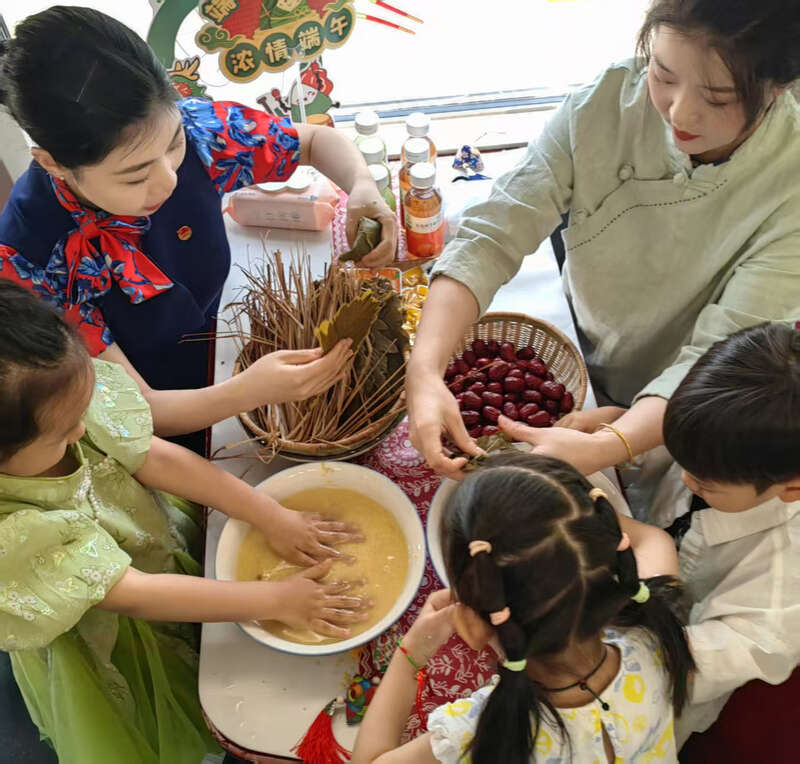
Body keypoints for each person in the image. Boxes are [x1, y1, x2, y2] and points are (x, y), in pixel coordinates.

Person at [405, 0, 800, 483]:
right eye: (663, 74)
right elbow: (494, 230)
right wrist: (425, 368)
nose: (680, 111)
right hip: (582, 335)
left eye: (718, 97)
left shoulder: (790, 188)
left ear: (779, 86)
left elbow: (721, 357)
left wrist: (615, 443)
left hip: (681, 399)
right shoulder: (607, 102)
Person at [0, 281, 370, 764]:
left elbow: (156, 457)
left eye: (83, 412)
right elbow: (134, 594)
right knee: (177, 695)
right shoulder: (11, 536)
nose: (82, 429)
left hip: (154, 540)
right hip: (119, 632)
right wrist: (278, 600)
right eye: (63, 433)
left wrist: (270, 513)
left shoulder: (55, 402)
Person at [0, 6, 397, 445]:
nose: (168, 180)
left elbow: (316, 140)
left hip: (223, 339)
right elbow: (137, 410)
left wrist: (362, 185)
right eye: (134, 176)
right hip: (152, 408)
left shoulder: (198, 132)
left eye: (174, 146)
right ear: (53, 164)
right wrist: (248, 391)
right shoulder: (32, 256)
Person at [352, 452, 694, 764]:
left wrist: (411, 655)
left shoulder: (477, 734)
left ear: (470, 627)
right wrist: (569, 516)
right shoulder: (654, 633)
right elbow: (655, 540)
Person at [643, 322, 800, 745]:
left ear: (791, 489)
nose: (685, 478)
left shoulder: (784, 577)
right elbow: (660, 464)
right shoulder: (724, 452)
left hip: (650, 689)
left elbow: (699, 666)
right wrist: (615, 433)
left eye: (703, 483)